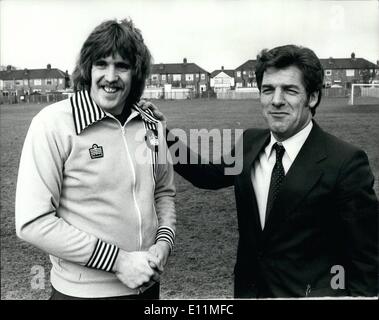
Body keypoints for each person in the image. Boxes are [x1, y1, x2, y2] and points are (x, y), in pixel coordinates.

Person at [144, 45, 378, 298]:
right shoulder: (250, 143)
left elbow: (367, 260)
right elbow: (208, 176)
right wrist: (162, 134)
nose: (276, 100)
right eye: (268, 90)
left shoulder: (346, 162)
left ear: (312, 97)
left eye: (289, 90)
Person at [15, 18, 176, 300]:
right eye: (102, 64)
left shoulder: (150, 123)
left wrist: (163, 243)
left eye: (122, 66)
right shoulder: (53, 124)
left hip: (148, 286)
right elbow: (32, 222)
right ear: (87, 69)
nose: (111, 77)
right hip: (82, 294)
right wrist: (119, 261)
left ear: (135, 73)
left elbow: (163, 191)